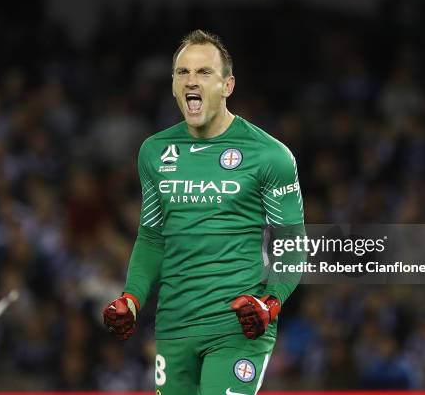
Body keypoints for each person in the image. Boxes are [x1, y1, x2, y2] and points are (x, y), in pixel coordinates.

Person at [103, 29, 305, 395]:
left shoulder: (270, 155)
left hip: (238, 327)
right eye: (183, 73)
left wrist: (270, 304)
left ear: (228, 85)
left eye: (203, 72)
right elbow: (151, 237)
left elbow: (292, 243)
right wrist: (132, 297)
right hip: (173, 326)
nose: (191, 81)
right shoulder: (154, 151)